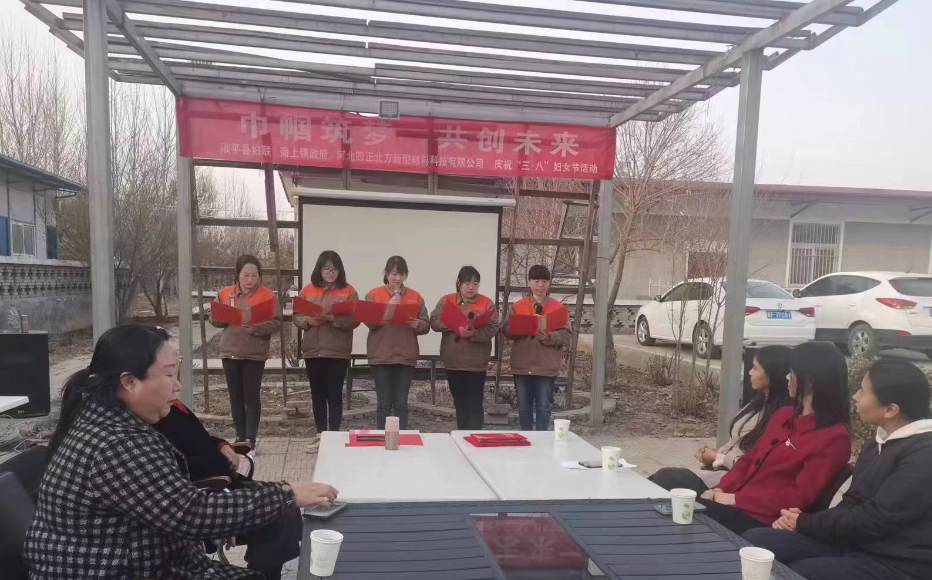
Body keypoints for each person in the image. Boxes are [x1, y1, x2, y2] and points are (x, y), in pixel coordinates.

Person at [24, 324, 337, 580]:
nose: (178, 387)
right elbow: (191, 514)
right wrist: (286, 493)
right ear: (129, 381)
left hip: (140, 562)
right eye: (168, 374)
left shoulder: (108, 421)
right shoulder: (116, 444)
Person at [744, 360, 932, 580]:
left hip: (897, 563)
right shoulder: (877, 444)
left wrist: (805, 523)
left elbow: (877, 518)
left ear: (890, 409)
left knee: (799, 572)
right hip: (855, 544)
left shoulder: (923, 455)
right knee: (756, 542)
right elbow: (852, 501)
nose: (855, 396)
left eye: (863, 391)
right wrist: (803, 521)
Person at [648, 342, 851, 535]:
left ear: (812, 380)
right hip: (733, 499)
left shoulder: (833, 438)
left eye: (793, 372)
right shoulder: (784, 415)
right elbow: (749, 460)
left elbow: (798, 497)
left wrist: (734, 499)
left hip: (759, 518)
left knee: (676, 503)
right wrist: (720, 489)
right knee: (670, 478)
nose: (787, 377)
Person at [153, 399, 302, 580]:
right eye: (169, 380)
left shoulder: (172, 405)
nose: (177, 386)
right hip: (208, 493)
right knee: (277, 514)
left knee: (286, 505)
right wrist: (226, 520)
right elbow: (183, 468)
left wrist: (220, 445)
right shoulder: (152, 419)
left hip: (225, 483)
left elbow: (197, 439)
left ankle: (266, 571)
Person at [210, 254, 282, 451]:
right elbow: (213, 320)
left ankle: (251, 438)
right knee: (236, 397)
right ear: (238, 274)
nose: (250, 279)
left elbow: (277, 322)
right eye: (246, 275)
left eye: (254, 275)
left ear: (259, 276)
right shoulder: (225, 293)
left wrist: (256, 328)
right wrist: (224, 315)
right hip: (230, 351)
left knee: (251, 397)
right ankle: (240, 436)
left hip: (254, 353)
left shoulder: (267, 295)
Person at [693, 346, 793, 486]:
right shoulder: (758, 403)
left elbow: (758, 466)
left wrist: (718, 457)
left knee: (670, 478)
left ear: (773, 374)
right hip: (724, 473)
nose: (750, 372)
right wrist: (711, 454)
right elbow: (735, 442)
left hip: (740, 483)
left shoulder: (783, 417)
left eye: (755, 368)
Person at [294, 250, 360, 440]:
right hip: (313, 351)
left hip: (337, 351)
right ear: (319, 270)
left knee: (335, 395)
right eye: (326, 269)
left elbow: (356, 319)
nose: (330, 273)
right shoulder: (307, 290)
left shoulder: (349, 291)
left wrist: (333, 319)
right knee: (318, 395)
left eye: (334, 269)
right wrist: (308, 321)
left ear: (340, 270)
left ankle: (334, 436)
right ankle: (321, 434)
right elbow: (297, 317)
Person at [502, 264, 572, 431]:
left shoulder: (557, 307)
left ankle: (543, 442)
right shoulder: (518, 306)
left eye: (544, 281)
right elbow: (505, 330)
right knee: (523, 408)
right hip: (522, 365)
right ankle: (527, 440)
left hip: (546, 367)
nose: (540, 285)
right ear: (529, 282)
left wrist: (549, 337)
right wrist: (520, 328)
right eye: (536, 281)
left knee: (543, 407)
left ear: (549, 283)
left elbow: (567, 334)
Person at [429, 266, 500, 430]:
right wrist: (454, 325)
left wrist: (473, 333)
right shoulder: (447, 300)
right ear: (459, 283)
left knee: (474, 403)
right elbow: (434, 321)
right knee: (459, 403)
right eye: (467, 283)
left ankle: (474, 437)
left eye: (475, 284)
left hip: (476, 363)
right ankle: (462, 436)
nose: (471, 287)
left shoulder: (487, 303)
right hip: (453, 361)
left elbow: (493, 328)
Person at [365, 255, 430, 430]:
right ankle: (383, 439)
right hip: (381, 356)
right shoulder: (373, 295)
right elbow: (369, 322)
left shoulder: (415, 296)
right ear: (386, 274)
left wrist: (418, 324)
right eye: (394, 274)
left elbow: (426, 324)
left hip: (405, 356)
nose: (397, 278)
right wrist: (389, 308)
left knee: (401, 403)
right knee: (384, 404)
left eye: (401, 274)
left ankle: (402, 440)